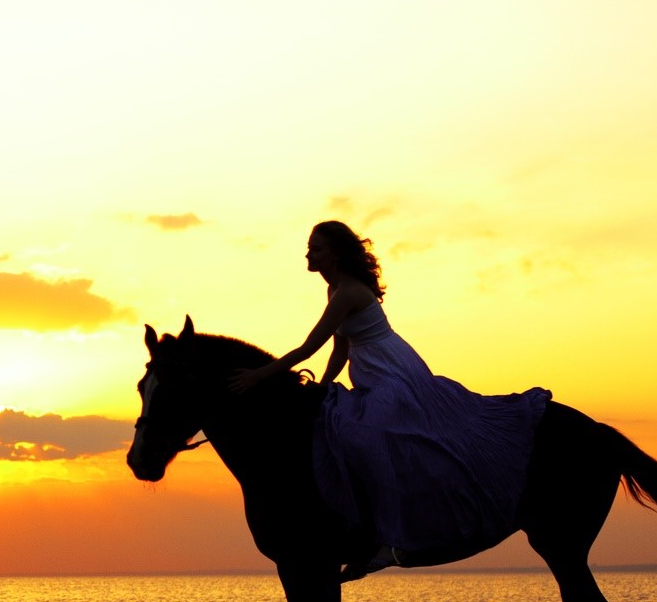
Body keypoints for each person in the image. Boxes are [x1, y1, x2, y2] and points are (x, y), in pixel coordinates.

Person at [227, 221, 549, 577]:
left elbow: (309, 346)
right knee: (348, 427)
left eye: (316, 248)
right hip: (371, 371)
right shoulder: (335, 288)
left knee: (369, 437)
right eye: (309, 247)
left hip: (390, 372)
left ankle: (389, 540)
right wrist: (326, 382)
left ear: (334, 253)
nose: (308, 254)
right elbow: (341, 345)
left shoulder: (348, 290)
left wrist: (259, 375)